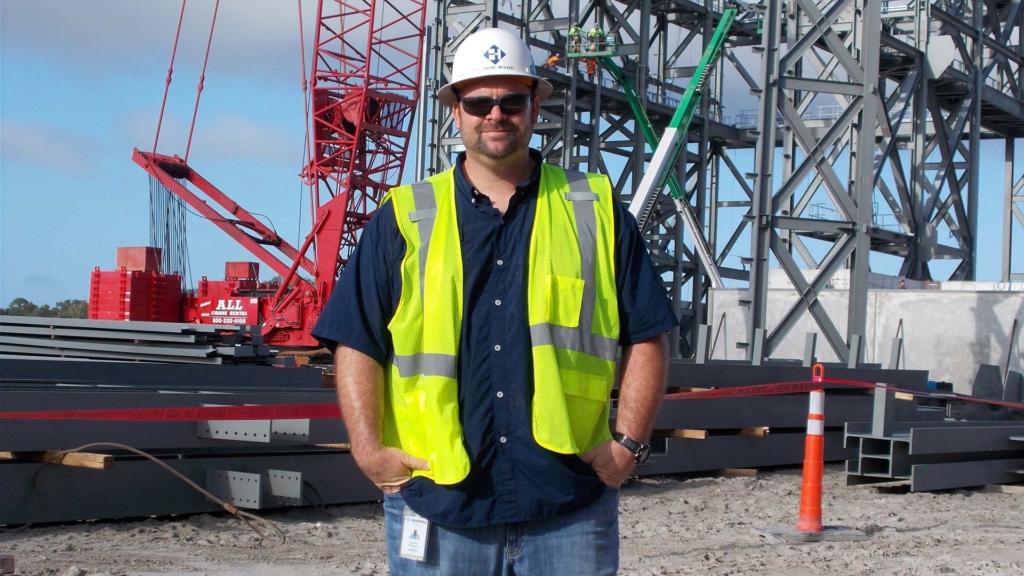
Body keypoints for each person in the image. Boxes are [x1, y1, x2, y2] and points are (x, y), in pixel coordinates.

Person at [313, 26, 676, 576]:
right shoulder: (405, 216)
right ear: (456, 112)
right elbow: (356, 340)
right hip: (440, 500)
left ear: (534, 106)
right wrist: (367, 449)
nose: (496, 114)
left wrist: (629, 443)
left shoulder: (593, 209)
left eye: (511, 101)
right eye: (479, 102)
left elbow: (648, 333)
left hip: (568, 501)